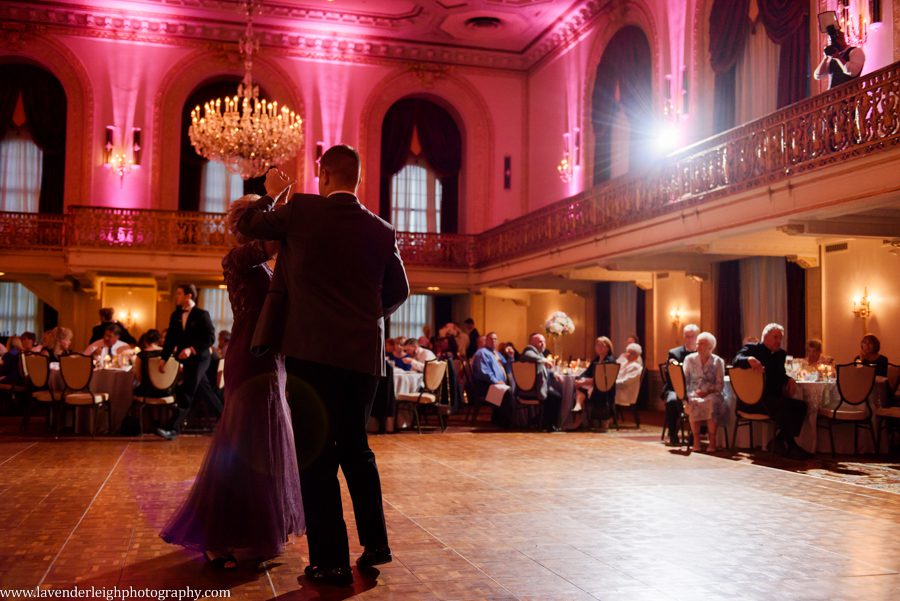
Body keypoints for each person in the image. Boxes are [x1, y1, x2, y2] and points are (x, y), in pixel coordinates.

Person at [238, 145, 409, 587]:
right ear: (358, 177)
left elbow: (248, 223)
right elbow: (399, 290)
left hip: (311, 353)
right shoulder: (381, 229)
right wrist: (364, 315)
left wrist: (274, 193)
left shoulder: (302, 210)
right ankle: (377, 545)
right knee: (356, 449)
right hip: (362, 357)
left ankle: (330, 561)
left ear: (323, 173)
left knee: (316, 457)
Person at [161, 195, 304, 570]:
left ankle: (254, 533)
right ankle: (221, 537)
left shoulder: (260, 263)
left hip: (270, 358)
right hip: (250, 357)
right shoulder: (236, 258)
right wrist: (276, 199)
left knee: (265, 443)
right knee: (245, 444)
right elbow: (271, 241)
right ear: (250, 223)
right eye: (264, 217)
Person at [733, 323, 812, 460]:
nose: (778, 341)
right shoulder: (752, 348)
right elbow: (736, 360)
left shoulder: (781, 354)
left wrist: (789, 379)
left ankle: (779, 441)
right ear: (765, 336)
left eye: (780, 338)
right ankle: (791, 446)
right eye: (775, 337)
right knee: (782, 406)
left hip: (772, 398)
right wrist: (749, 359)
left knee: (801, 406)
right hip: (753, 400)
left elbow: (780, 375)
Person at [155, 283, 222, 440]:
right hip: (186, 359)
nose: (176, 296)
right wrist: (164, 359)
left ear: (188, 296)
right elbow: (170, 339)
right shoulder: (176, 315)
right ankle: (228, 422)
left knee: (187, 390)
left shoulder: (202, 314)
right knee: (205, 391)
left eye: (179, 293)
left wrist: (191, 349)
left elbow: (210, 338)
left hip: (201, 357)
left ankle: (172, 429)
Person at [683, 332, 725, 453]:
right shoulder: (689, 359)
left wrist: (706, 391)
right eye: (698, 344)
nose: (698, 347)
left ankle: (712, 441)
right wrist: (692, 392)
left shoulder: (718, 361)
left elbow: (720, 384)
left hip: (712, 393)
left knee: (711, 402)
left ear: (710, 347)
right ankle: (696, 440)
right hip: (693, 392)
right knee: (694, 401)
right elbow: (684, 380)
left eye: (702, 344)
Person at [662, 324, 699, 446]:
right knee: (672, 400)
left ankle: (694, 436)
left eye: (692, 337)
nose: (689, 339)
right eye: (687, 336)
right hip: (675, 388)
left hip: (695, 389)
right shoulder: (674, 353)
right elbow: (669, 375)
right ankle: (673, 435)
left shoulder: (701, 353)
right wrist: (672, 366)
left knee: (697, 400)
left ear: (697, 337)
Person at [520, 333, 563, 432]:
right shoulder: (529, 351)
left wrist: (553, 374)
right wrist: (544, 360)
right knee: (556, 396)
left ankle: (543, 422)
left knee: (554, 394)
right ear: (532, 343)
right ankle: (550, 424)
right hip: (531, 389)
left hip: (536, 387)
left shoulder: (539, 354)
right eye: (540, 341)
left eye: (544, 341)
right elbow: (528, 355)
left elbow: (542, 370)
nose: (543, 344)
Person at [574, 336, 616, 429]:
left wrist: (582, 382)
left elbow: (600, 379)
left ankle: (579, 412)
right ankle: (579, 411)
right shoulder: (596, 360)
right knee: (577, 386)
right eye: (597, 345)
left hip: (605, 389)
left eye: (602, 345)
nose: (599, 347)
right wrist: (580, 379)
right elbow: (586, 373)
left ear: (608, 348)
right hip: (594, 386)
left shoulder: (610, 361)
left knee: (580, 387)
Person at [615, 343, 643, 407]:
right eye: (628, 352)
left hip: (625, 393)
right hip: (618, 389)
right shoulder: (623, 363)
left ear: (637, 356)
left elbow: (624, 383)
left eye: (632, 353)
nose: (628, 354)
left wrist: (611, 384)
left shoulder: (635, 367)